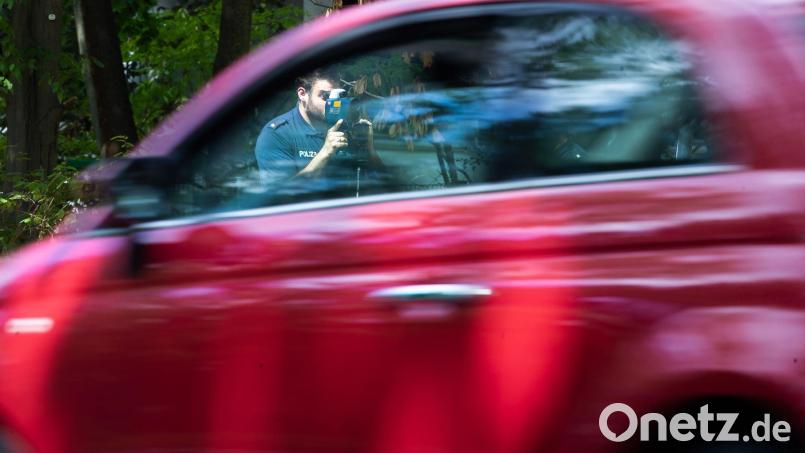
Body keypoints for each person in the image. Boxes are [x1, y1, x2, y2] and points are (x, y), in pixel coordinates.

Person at [254, 71, 383, 185]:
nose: (332, 103)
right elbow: (279, 197)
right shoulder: (277, 134)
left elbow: (383, 183)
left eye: (337, 96)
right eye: (325, 96)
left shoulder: (346, 126)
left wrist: (370, 151)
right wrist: (325, 153)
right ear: (302, 94)